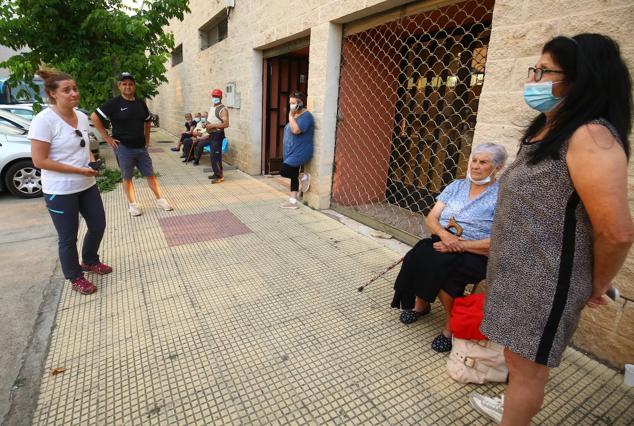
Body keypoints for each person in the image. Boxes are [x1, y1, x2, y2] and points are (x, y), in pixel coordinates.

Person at [470, 34, 633, 426]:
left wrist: (595, 284)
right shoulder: (549, 130)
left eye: (545, 71)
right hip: (518, 275)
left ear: (581, 80)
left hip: (545, 283)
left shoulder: (590, 137)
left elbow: (617, 233)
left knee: (529, 370)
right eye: (535, 69)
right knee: (517, 359)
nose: (534, 78)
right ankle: (513, 406)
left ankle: (516, 415)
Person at [390, 143, 507, 352]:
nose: (476, 166)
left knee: (446, 276)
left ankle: (450, 328)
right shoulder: (456, 186)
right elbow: (432, 217)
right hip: (444, 240)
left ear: (497, 168)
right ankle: (421, 305)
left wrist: (460, 245)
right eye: (474, 160)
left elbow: (498, 240)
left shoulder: (502, 197)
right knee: (417, 256)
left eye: (483, 162)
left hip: (476, 252)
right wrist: (445, 236)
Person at [29, 68, 112, 295]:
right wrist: (77, 170)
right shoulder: (43, 121)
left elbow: (85, 148)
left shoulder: (82, 117)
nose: (74, 93)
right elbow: (39, 160)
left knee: (98, 225)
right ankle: (75, 276)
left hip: (86, 185)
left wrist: (91, 164)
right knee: (68, 237)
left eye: (75, 88)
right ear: (53, 94)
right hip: (60, 189)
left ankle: (90, 260)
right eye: (67, 90)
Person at [91, 72, 172, 216]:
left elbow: (148, 120)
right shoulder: (113, 104)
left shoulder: (140, 103)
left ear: (134, 86)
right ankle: (133, 205)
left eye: (130, 84)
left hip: (141, 148)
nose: (128, 86)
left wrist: (147, 139)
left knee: (150, 175)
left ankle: (160, 200)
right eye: (124, 84)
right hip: (123, 148)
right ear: (119, 86)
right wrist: (107, 138)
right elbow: (94, 116)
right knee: (127, 177)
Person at [279, 91, 313, 209]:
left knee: (284, 170)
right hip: (291, 151)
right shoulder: (296, 115)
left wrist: (290, 116)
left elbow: (296, 130)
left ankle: (303, 177)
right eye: (290, 103)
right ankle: (293, 202)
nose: (291, 106)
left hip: (301, 151)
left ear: (301, 103)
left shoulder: (306, 116)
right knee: (293, 176)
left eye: (294, 103)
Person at [205, 88, 229, 183]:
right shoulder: (212, 108)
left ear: (221, 97)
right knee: (212, 156)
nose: (215, 98)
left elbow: (226, 124)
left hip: (217, 135)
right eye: (214, 96)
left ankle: (220, 176)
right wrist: (206, 124)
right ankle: (216, 173)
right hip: (212, 135)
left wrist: (212, 125)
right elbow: (211, 120)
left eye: (217, 96)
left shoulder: (223, 109)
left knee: (216, 156)